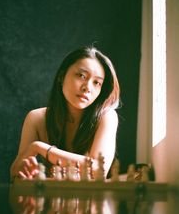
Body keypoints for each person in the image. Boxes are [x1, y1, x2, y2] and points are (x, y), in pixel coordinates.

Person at [10, 46, 120, 180]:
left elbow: (97, 170)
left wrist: (40, 147)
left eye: (97, 82)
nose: (87, 88)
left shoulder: (107, 117)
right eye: (81, 76)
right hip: (49, 198)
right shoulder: (36, 118)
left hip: (90, 199)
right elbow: (16, 173)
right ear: (62, 76)